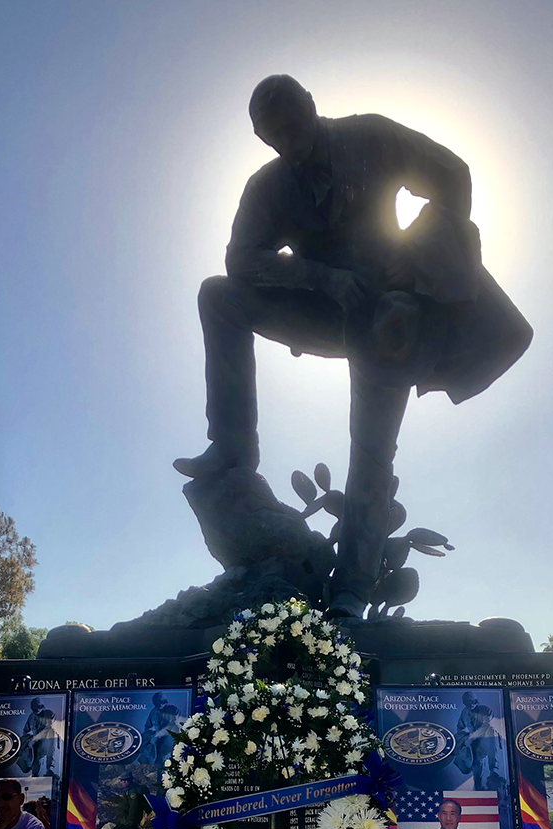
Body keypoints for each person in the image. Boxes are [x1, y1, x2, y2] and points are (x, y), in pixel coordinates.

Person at [175, 74, 533, 618]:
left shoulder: (372, 137)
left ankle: (354, 585)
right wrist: (320, 278)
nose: (287, 142)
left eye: (293, 126)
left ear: (313, 107)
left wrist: (413, 255)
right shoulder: (268, 186)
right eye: (273, 136)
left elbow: (453, 175)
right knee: (218, 297)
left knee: (370, 449)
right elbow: (240, 262)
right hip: (322, 308)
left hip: (388, 317)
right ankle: (231, 446)